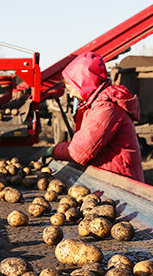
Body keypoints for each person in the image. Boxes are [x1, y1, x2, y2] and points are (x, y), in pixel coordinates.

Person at [47, 52, 144, 182]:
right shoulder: (96, 105)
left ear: (83, 82)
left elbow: (79, 152)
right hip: (111, 177)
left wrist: (55, 151)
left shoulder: (106, 108)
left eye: (71, 88)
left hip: (122, 180)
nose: (70, 95)